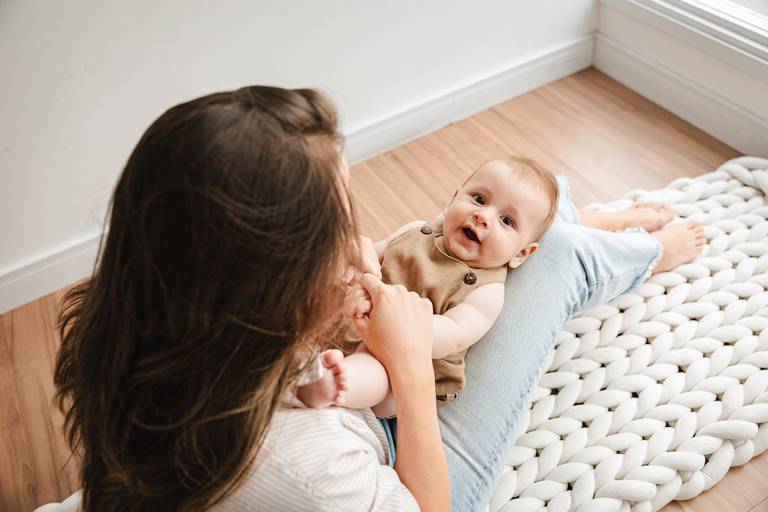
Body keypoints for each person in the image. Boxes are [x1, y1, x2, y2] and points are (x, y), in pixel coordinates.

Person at [52, 85, 705, 512]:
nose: (349, 231)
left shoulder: (135, 321)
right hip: (397, 430)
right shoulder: (309, 470)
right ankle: (642, 251)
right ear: (270, 280)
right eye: (336, 217)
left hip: (351, 373)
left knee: (535, 213)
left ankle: (572, 223)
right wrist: (410, 361)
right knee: (556, 254)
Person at [296, 158, 704, 418]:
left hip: (406, 363)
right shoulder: (414, 231)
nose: (484, 217)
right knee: (323, 296)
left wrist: (399, 328)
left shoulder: (487, 290)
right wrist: (357, 260)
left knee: (380, 376)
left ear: (521, 255)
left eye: (506, 222)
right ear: (453, 198)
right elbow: (377, 254)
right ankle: (592, 221)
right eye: (477, 198)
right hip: (356, 320)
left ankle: (333, 386)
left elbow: (456, 331)